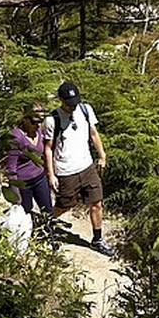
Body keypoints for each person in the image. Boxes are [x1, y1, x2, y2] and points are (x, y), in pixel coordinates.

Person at [43, 80, 115, 256]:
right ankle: (46, 224)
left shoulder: (85, 110)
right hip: (66, 170)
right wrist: (51, 175)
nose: (72, 107)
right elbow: (48, 148)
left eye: (75, 103)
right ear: (61, 100)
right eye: (69, 104)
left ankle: (97, 240)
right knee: (65, 205)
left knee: (96, 202)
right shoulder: (52, 119)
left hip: (87, 166)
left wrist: (102, 155)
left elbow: (93, 134)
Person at [6, 102, 55, 221]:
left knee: (48, 212)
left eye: (40, 121)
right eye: (34, 122)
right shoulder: (16, 138)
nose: (37, 125)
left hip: (40, 177)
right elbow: (11, 169)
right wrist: (16, 197)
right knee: (26, 213)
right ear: (25, 119)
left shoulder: (39, 131)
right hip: (24, 183)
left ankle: (51, 236)